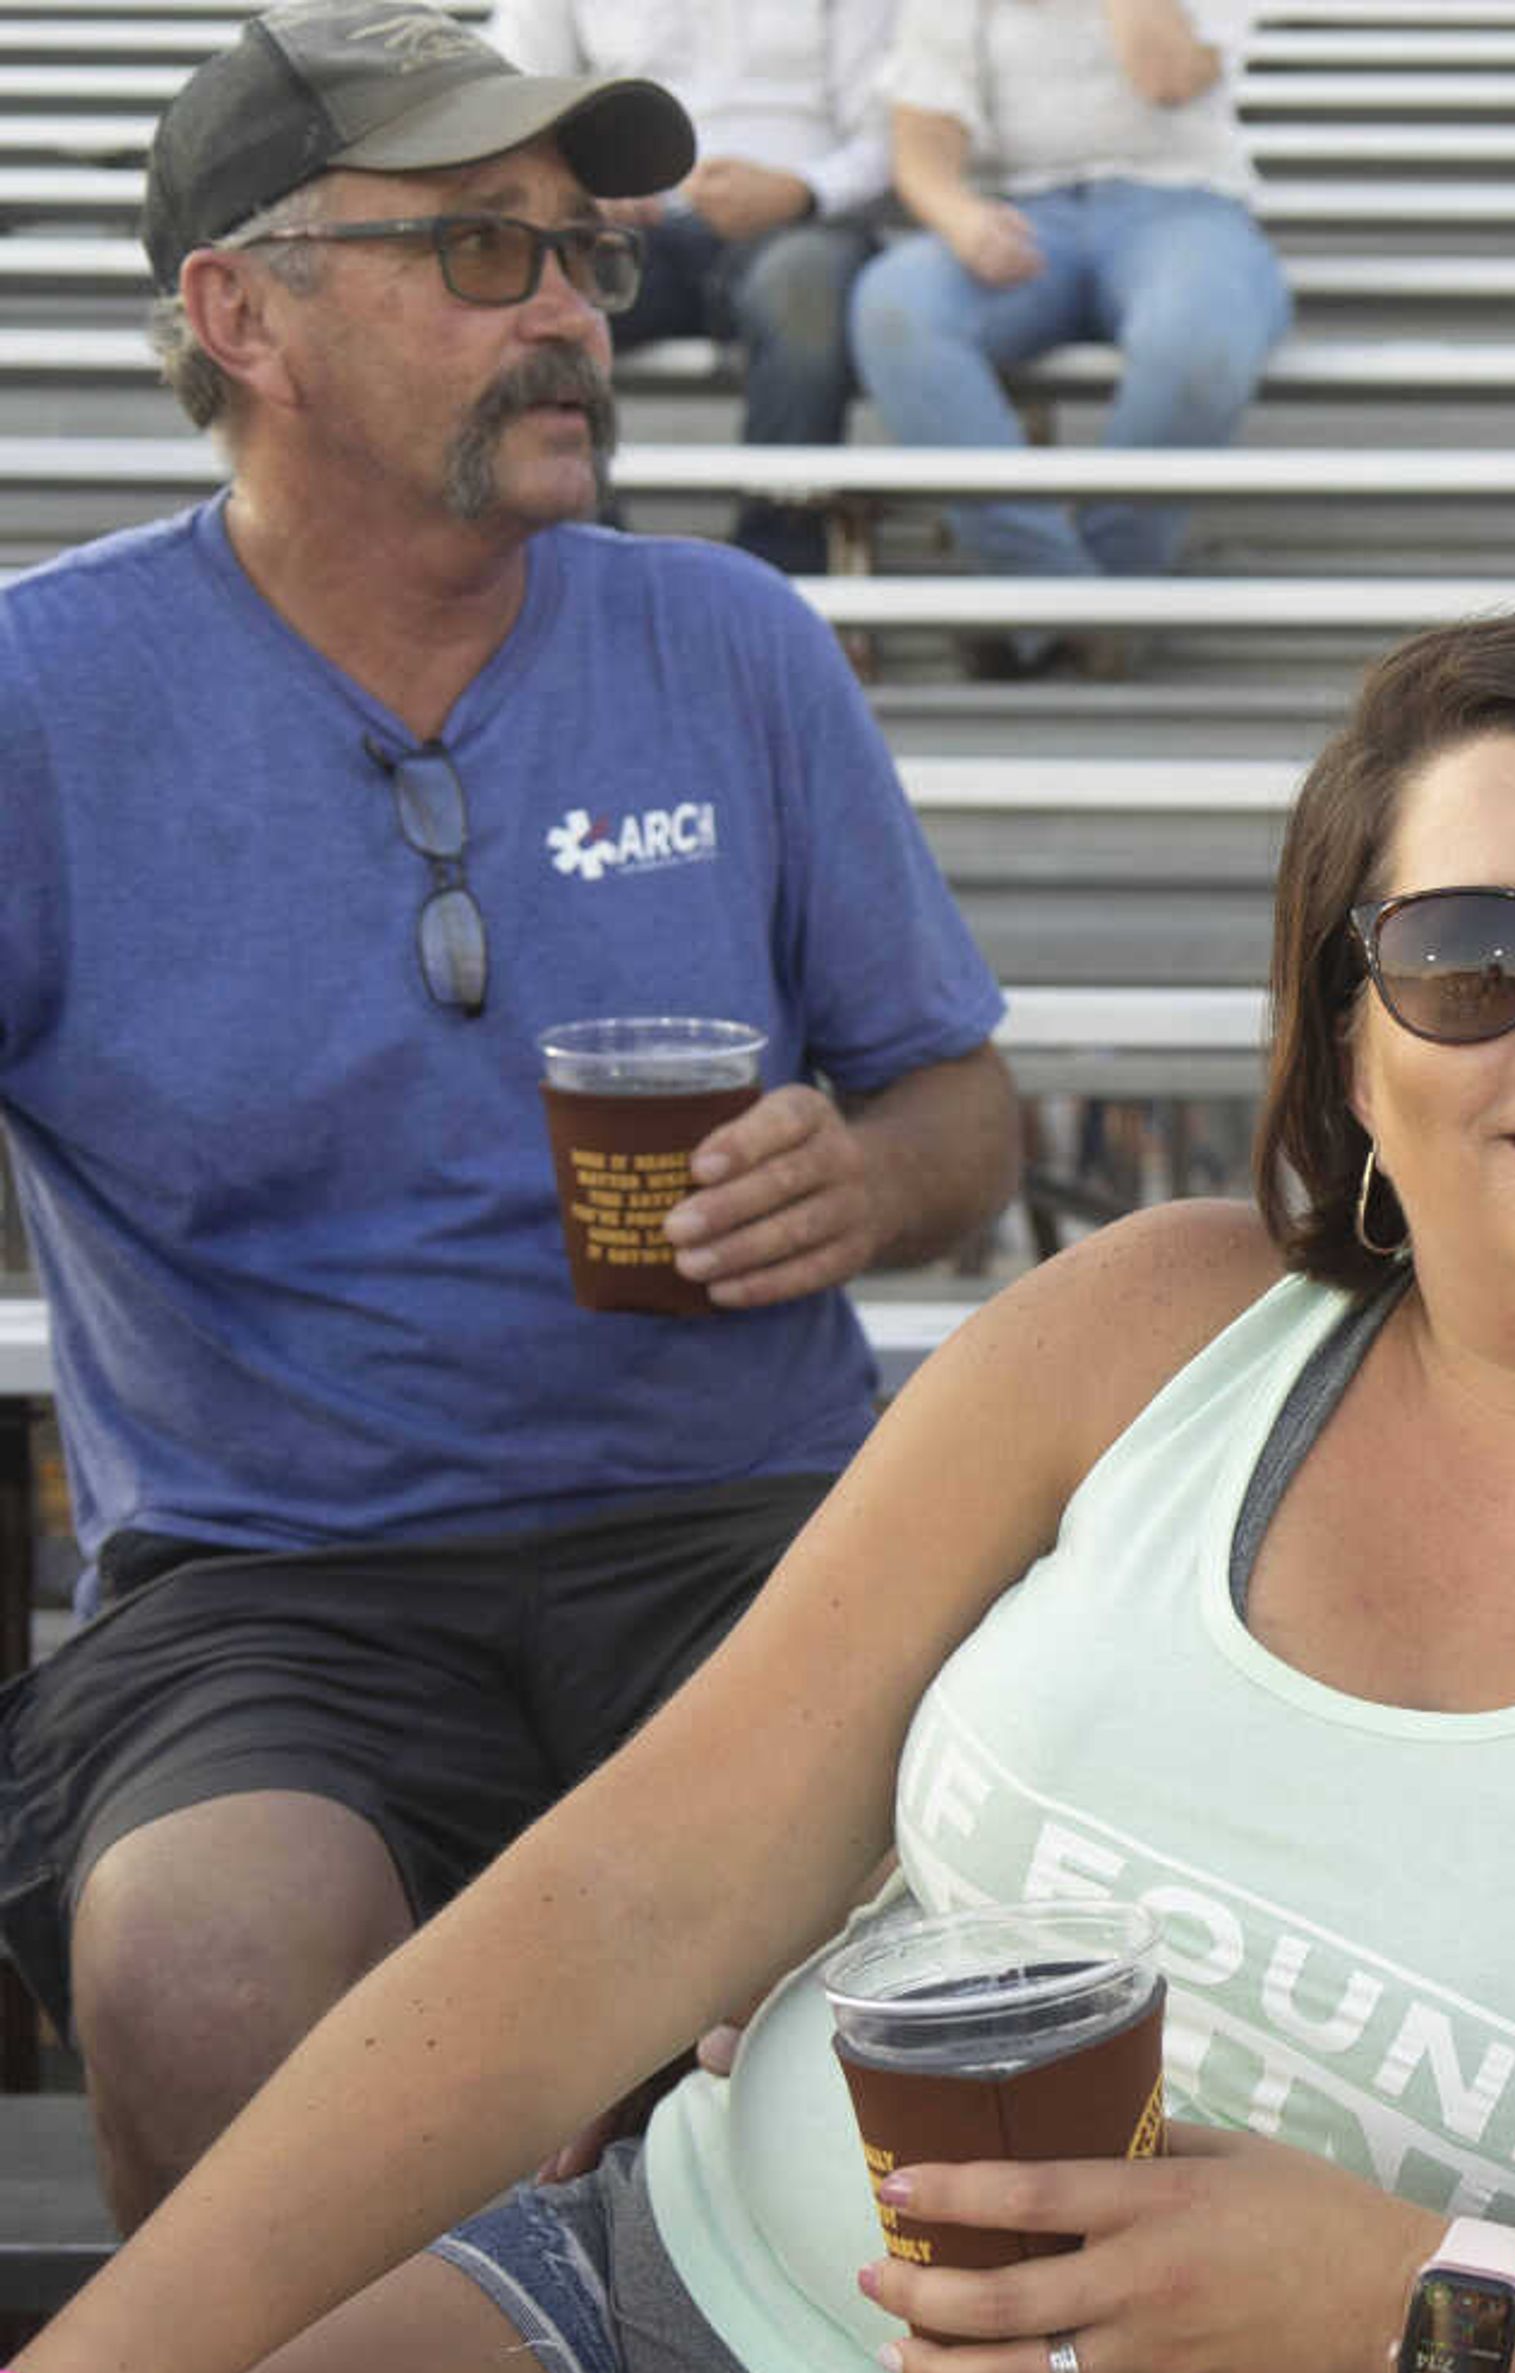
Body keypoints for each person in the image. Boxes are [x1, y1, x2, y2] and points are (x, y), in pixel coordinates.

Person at [0, 611, 1515, 2373]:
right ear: (1353, 1055)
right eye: (1467, 958)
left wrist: (1406, 2295)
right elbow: (641, 1882)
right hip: (641, 2345)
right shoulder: (1156, 1328)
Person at [0, 1, 1022, 2234]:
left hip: (757, 1536)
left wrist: (861, 1174)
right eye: (481, 251)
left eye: (585, 255)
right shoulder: (43, 697)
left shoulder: (730, 638)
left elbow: (967, 1113)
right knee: (198, 1958)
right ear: (234, 310)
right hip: (276, 1584)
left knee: (1009, 1933)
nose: (569, 313)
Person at [848, 0, 1291, 673]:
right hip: (1020, 212)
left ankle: (1068, 603)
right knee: (895, 304)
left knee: (1197, 336)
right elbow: (923, 144)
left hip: (1181, 206)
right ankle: (1066, 599)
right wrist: (959, 217)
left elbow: (1167, 75)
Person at [484, 0, 901, 578]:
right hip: (620, 224)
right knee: (547, 291)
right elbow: (511, 101)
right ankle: (591, 563)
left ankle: (773, 572)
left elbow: (893, 133)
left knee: (801, 290)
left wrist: (801, 190)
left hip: (800, 226)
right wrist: (577, 183)